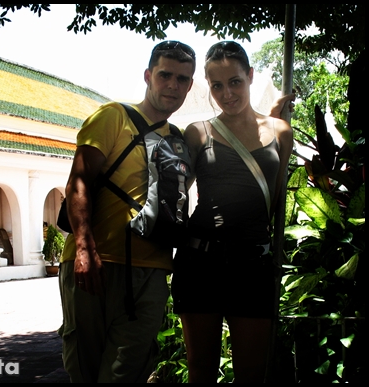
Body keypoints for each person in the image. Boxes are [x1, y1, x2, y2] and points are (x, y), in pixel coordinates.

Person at [58, 41, 197, 383]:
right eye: (165, 75)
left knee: (127, 372)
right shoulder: (113, 117)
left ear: (189, 85)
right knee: (86, 371)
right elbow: (79, 182)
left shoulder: (179, 142)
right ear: (148, 76)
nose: (172, 85)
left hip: (151, 272)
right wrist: (83, 247)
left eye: (182, 79)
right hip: (96, 263)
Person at [171, 41, 294, 383]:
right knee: (201, 368)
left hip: (252, 265)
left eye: (235, 82)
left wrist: (267, 121)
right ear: (208, 86)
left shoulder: (281, 133)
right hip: (201, 263)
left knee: (253, 372)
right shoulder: (198, 133)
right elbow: (176, 194)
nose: (227, 93)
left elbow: (273, 197)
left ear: (250, 76)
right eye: (217, 86)